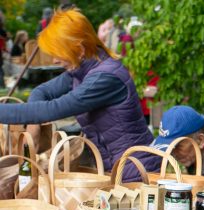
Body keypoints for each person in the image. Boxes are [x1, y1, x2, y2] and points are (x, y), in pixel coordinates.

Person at [0, 8, 160, 181]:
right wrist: (34, 125)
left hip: (137, 171)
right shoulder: (79, 71)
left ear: (80, 49)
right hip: (115, 169)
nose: (55, 61)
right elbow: (42, 91)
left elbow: (53, 109)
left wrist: (30, 117)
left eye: (59, 53)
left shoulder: (105, 78)